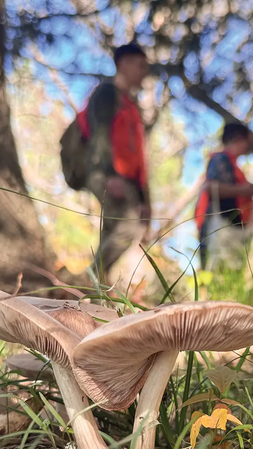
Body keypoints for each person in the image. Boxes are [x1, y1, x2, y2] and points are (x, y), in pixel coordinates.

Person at [81, 43, 151, 284]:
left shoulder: (132, 106)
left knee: (111, 231)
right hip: (107, 175)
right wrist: (108, 174)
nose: (144, 72)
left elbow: (138, 156)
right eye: (141, 65)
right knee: (129, 228)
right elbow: (99, 134)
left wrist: (142, 199)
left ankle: (95, 292)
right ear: (124, 63)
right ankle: (90, 276)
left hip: (128, 182)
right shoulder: (106, 94)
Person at [194, 123, 253, 270]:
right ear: (237, 139)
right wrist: (245, 190)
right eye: (246, 141)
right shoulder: (221, 159)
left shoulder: (233, 165)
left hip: (232, 229)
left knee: (229, 271)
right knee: (218, 270)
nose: (248, 146)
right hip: (221, 226)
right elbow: (213, 188)